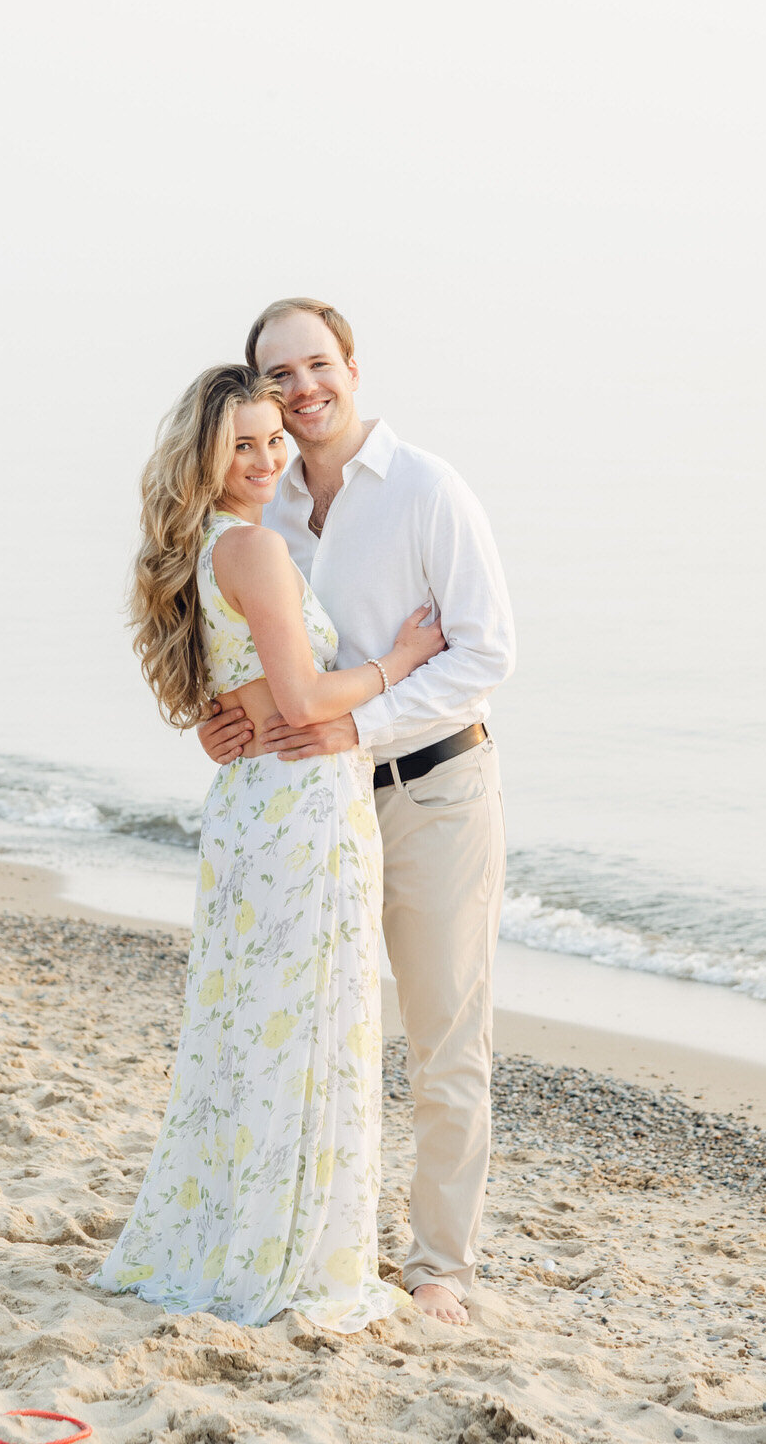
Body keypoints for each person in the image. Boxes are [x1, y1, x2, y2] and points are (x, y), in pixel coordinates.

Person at [94, 363, 446, 1331]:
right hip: (298, 809)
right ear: (204, 455)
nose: (263, 458)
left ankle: (243, 1231)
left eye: (271, 440)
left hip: (253, 804)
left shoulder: (199, 548)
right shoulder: (248, 546)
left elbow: (232, 698)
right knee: (303, 1034)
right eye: (240, 443)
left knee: (253, 1034)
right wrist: (402, 660)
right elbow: (300, 702)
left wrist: (241, 711)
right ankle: (284, 1253)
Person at [199, 299, 515, 1328]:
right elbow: (285, 664)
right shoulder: (266, 508)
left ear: (352, 368)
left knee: (440, 1036)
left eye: (316, 366)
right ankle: (318, 1239)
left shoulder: (425, 488)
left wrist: (360, 726)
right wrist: (228, 722)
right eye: (279, 376)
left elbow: (484, 652)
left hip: (430, 789)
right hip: (316, 811)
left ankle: (439, 1268)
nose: (302, 391)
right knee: (322, 1032)